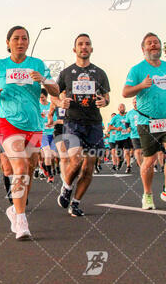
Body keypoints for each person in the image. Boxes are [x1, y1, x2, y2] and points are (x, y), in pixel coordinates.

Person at [0, 25, 59, 240]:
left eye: (24, 38)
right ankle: (22, 221)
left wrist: (43, 80)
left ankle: (15, 209)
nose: (21, 41)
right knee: (20, 166)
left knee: (30, 168)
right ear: (8, 43)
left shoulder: (38, 64)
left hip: (34, 124)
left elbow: (55, 90)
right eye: (16, 38)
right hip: (8, 122)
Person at [53, 34, 110, 217]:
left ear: (91, 49)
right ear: (74, 49)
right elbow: (54, 94)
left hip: (94, 123)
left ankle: (75, 203)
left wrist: (104, 102)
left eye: (87, 44)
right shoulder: (66, 73)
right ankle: (67, 187)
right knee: (76, 160)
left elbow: (107, 97)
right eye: (80, 44)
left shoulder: (100, 73)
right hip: (73, 122)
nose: (84, 47)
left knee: (88, 168)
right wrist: (60, 102)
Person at [122, 32, 166, 208]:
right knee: (150, 159)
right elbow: (125, 92)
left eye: (156, 42)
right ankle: (147, 194)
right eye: (149, 43)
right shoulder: (137, 69)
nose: (153, 45)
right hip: (147, 121)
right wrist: (141, 86)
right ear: (143, 49)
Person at [108, 104, 132, 173]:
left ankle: (128, 166)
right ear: (118, 109)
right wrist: (116, 128)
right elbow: (110, 127)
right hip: (118, 138)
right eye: (121, 107)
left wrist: (129, 128)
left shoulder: (127, 116)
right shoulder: (115, 117)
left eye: (123, 107)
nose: (122, 108)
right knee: (118, 154)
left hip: (126, 137)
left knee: (127, 151)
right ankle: (120, 161)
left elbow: (130, 124)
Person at [39, 89, 56, 183]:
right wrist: (39, 116)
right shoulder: (37, 106)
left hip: (52, 132)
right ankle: (50, 175)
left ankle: (44, 166)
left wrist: (52, 122)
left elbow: (55, 117)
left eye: (42, 97)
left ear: (46, 96)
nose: (41, 99)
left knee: (51, 156)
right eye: (40, 97)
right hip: (42, 133)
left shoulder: (51, 106)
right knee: (47, 153)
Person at [125, 98, 143, 166]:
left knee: (144, 152)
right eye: (134, 102)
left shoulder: (144, 110)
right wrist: (128, 128)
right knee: (138, 151)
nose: (135, 104)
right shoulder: (129, 113)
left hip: (144, 134)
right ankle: (141, 167)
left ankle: (145, 165)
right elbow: (127, 123)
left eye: (136, 102)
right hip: (134, 135)